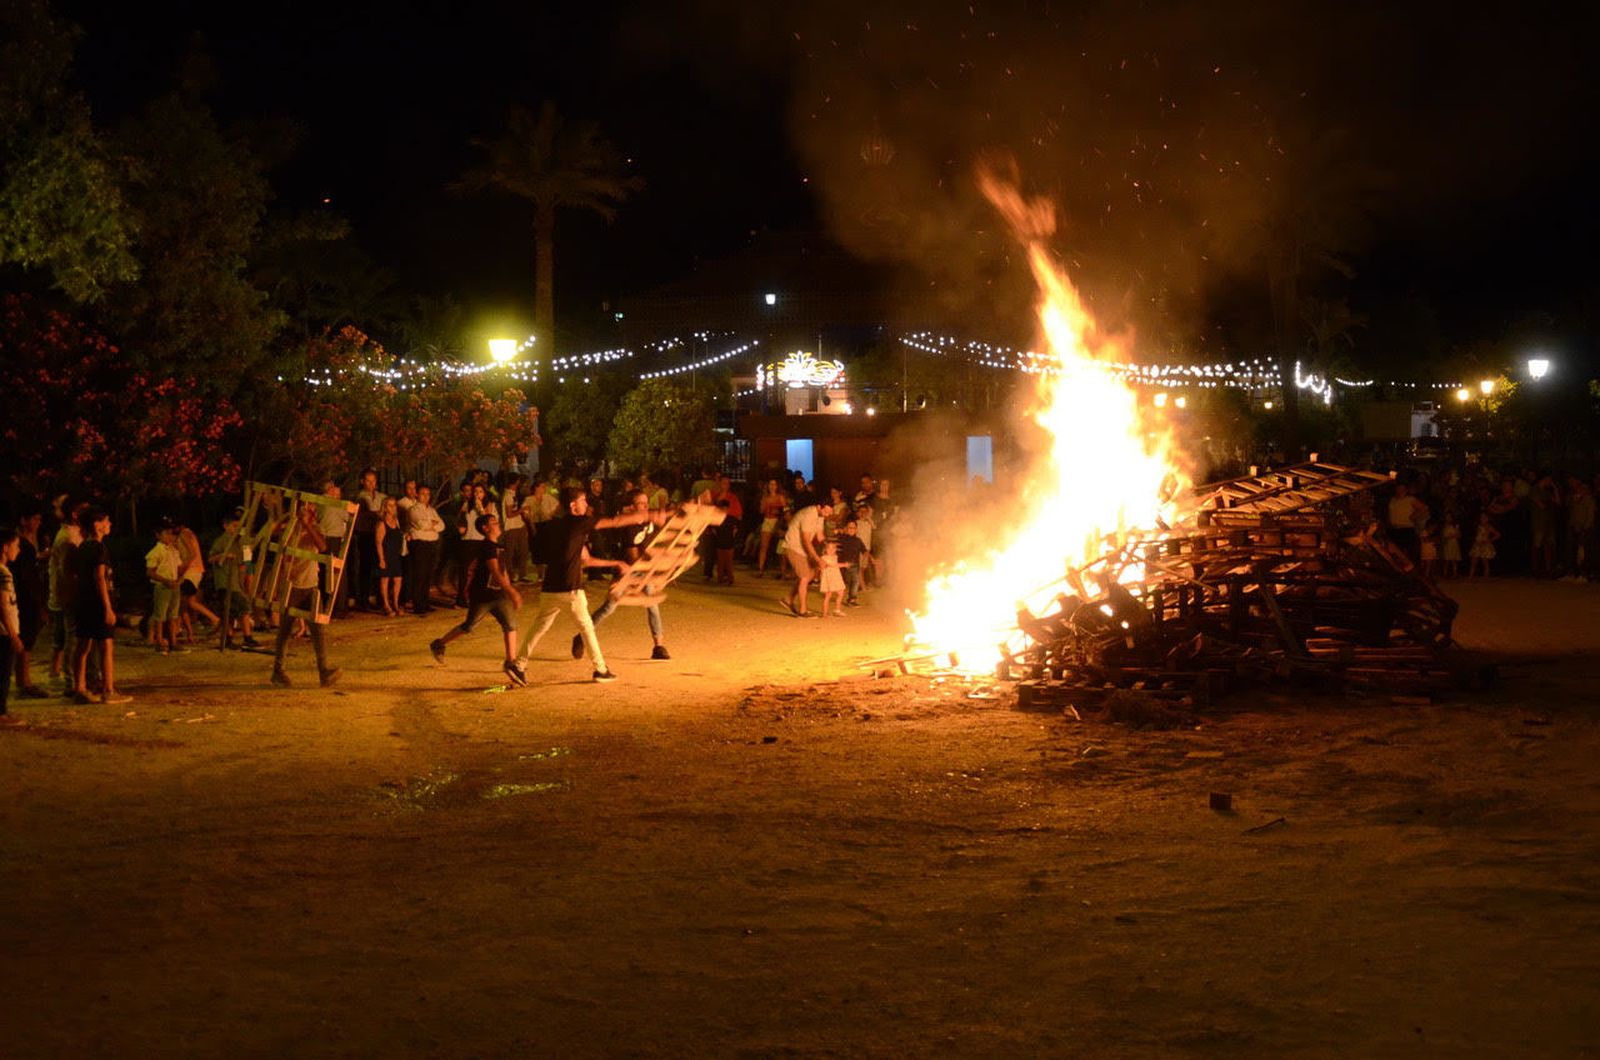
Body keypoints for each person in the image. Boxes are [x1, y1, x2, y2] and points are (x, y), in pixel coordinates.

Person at [516, 486, 659, 682]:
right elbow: (616, 521)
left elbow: (586, 559)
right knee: (587, 628)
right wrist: (652, 514)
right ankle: (600, 669)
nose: (586, 504)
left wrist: (616, 563)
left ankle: (519, 665)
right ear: (573, 505)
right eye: (583, 501)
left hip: (550, 588)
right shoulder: (579, 523)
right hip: (570, 588)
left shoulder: (554, 525)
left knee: (540, 626)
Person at [429, 513, 525, 687]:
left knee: (511, 625)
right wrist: (512, 592)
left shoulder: (498, 545)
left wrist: (510, 589)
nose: (498, 524)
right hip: (483, 595)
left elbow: (503, 572)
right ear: (485, 529)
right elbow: (495, 571)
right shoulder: (487, 547)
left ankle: (511, 662)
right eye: (493, 523)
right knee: (469, 626)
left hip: (498, 594)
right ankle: (439, 643)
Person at [580, 489, 671, 662]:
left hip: (644, 567)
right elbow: (633, 557)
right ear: (631, 507)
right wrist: (652, 566)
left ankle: (658, 646)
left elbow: (660, 527)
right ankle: (582, 635)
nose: (645, 506)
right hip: (627, 569)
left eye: (646, 502)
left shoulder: (647, 518)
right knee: (609, 608)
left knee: (653, 604)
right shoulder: (629, 527)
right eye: (641, 503)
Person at [270, 502, 341, 689]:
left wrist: (307, 524)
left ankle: (323, 670)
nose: (311, 509)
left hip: (310, 584)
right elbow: (271, 533)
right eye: (306, 506)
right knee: (285, 631)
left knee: (317, 631)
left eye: (312, 507)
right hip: (291, 585)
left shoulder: (315, 528)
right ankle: (278, 671)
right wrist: (288, 517)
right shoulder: (289, 528)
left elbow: (322, 546)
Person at [71, 508, 131, 705]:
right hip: (97, 602)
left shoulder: (81, 547)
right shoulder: (98, 548)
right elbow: (100, 578)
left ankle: (79, 688)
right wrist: (107, 607)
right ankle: (108, 690)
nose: (110, 524)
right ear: (97, 525)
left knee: (83, 645)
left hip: (83, 601)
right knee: (106, 645)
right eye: (107, 521)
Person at [11, 503, 48, 697]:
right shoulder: (22, 546)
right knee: (25, 639)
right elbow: (27, 578)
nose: (38, 523)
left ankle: (23, 681)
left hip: (23, 596)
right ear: (24, 520)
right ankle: (23, 683)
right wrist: (39, 603)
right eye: (34, 519)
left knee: (26, 639)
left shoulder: (26, 543)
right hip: (25, 598)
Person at [208, 508, 259, 647]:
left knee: (232, 610)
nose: (237, 529)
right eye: (234, 526)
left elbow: (246, 560)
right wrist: (223, 556)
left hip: (236, 581)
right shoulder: (221, 541)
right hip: (225, 581)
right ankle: (244, 637)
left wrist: (247, 572)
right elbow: (211, 558)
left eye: (239, 526)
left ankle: (230, 638)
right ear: (226, 526)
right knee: (240, 608)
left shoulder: (240, 541)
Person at [782, 500, 832, 618]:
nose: (828, 515)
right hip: (793, 547)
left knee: (810, 574)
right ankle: (803, 610)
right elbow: (806, 540)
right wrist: (817, 559)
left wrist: (829, 545)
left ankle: (788, 599)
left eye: (830, 512)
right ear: (819, 506)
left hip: (802, 549)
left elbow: (819, 536)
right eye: (826, 511)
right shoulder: (809, 514)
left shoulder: (820, 515)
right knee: (805, 576)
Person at [175, 520, 219, 643]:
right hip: (195, 569)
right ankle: (181, 628)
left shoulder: (184, 534)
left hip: (191, 570)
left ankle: (214, 619)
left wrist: (183, 567)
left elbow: (191, 553)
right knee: (189, 601)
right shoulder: (189, 533)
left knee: (182, 601)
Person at [144, 519, 184, 655]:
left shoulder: (173, 550)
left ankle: (173, 641)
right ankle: (160, 640)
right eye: (165, 534)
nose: (169, 536)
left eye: (170, 534)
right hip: (162, 586)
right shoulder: (156, 551)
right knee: (160, 615)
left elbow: (179, 567)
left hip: (174, 585)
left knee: (173, 615)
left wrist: (178, 580)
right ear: (158, 535)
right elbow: (150, 572)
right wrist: (165, 580)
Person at [406, 484, 444, 614]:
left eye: (428, 494)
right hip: (420, 544)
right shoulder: (413, 509)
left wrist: (431, 525)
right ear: (417, 494)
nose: (426, 496)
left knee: (428, 575)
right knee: (420, 575)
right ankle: (418, 605)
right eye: (423, 493)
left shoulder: (432, 510)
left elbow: (442, 526)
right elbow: (420, 524)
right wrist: (432, 524)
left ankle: (425, 602)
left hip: (431, 544)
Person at [352, 468, 386, 610]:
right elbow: (361, 516)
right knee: (365, 567)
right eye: (368, 480)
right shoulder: (359, 497)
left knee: (380, 565)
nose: (371, 483)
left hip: (380, 534)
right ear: (362, 482)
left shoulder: (382, 497)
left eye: (373, 481)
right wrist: (375, 514)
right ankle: (363, 599)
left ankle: (379, 598)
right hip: (365, 534)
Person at [317, 480, 351, 617]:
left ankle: (328, 604)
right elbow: (347, 516)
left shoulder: (320, 503)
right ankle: (338, 607)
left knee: (326, 572)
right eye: (336, 493)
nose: (338, 496)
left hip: (324, 538)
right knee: (336, 572)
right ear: (330, 491)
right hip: (333, 539)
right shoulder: (332, 504)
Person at [0, 527, 22, 715]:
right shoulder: (4, 574)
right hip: (3, 631)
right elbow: (3, 606)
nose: (18, 550)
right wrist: (13, 634)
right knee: (3, 673)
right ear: (5, 547)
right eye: (16, 546)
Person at [374, 496, 405, 616]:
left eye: (394, 505)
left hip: (395, 554)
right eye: (390, 505)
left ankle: (396, 603)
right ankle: (386, 605)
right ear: (385, 508)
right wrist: (381, 559)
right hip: (386, 554)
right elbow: (378, 543)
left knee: (398, 579)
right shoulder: (381, 523)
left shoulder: (396, 521)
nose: (393, 508)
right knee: (385, 579)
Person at [755, 477, 786, 578]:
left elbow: (785, 510)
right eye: (770, 484)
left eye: (774, 484)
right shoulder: (765, 498)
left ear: (777, 486)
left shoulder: (780, 497)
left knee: (781, 547)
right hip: (767, 520)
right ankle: (760, 569)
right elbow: (761, 511)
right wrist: (764, 506)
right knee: (764, 546)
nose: (772, 486)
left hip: (777, 521)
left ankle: (783, 571)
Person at [835, 518, 867, 605]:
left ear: (856, 529)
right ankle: (837, 597)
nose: (851, 530)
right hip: (842, 565)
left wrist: (865, 558)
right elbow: (834, 549)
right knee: (843, 582)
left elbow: (865, 551)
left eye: (853, 528)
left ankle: (852, 599)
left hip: (854, 565)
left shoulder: (858, 541)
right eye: (849, 527)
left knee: (855, 582)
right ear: (846, 528)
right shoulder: (841, 539)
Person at [817, 540, 847, 617]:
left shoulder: (835, 556)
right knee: (828, 595)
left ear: (836, 549)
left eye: (833, 548)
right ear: (825, 549)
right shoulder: (824, 557)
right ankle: (825, 614)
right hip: (829, 578)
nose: (831, 550)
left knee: (841, 592)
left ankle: (837, 610)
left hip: (836, 577)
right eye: (829, 548)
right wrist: (844, 565)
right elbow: (833, 565)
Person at [1468, 511, 1500, 578]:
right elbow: (1476, 535)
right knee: (1473, 561)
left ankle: (1485, 577)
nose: (1483, 519)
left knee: (1484, 562)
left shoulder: (1489, 527)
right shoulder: (1477, 526)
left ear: (1487, 519)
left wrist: (1490, 540)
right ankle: (1470, 576)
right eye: (1481, 517)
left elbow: (1498, 535)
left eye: (1484, 517)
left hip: (1485, 545)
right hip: (1477, 545)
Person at [1440, 514, 1463, 580]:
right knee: (1446, 560)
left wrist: (1453, 535)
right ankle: (1445, 574)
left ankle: (1455, 574)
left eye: (1449, 517)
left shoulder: (1455, 526)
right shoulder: (1444, 526)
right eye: (1446, 517)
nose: (1448, 518)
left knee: (1453, 560)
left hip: (1453, 544)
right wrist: (1446, 538)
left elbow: (1459, 536)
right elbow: (1443, 536)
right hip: (1447, 544)